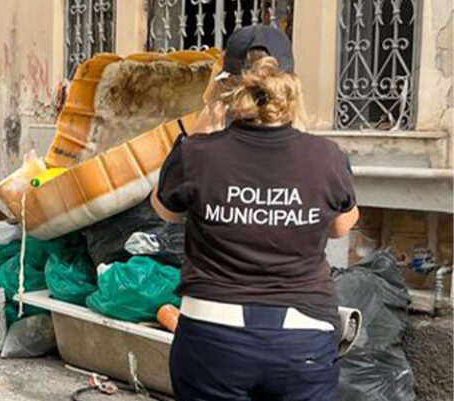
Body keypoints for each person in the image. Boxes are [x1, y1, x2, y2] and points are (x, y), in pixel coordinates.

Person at [151, 25, 359, 401]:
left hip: (213, 336)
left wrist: (198, 134)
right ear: (290, 83)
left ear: (226, 87)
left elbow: (164, 210)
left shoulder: (197, 154)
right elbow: (342, 226)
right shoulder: (326, 157)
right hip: (303, 340)